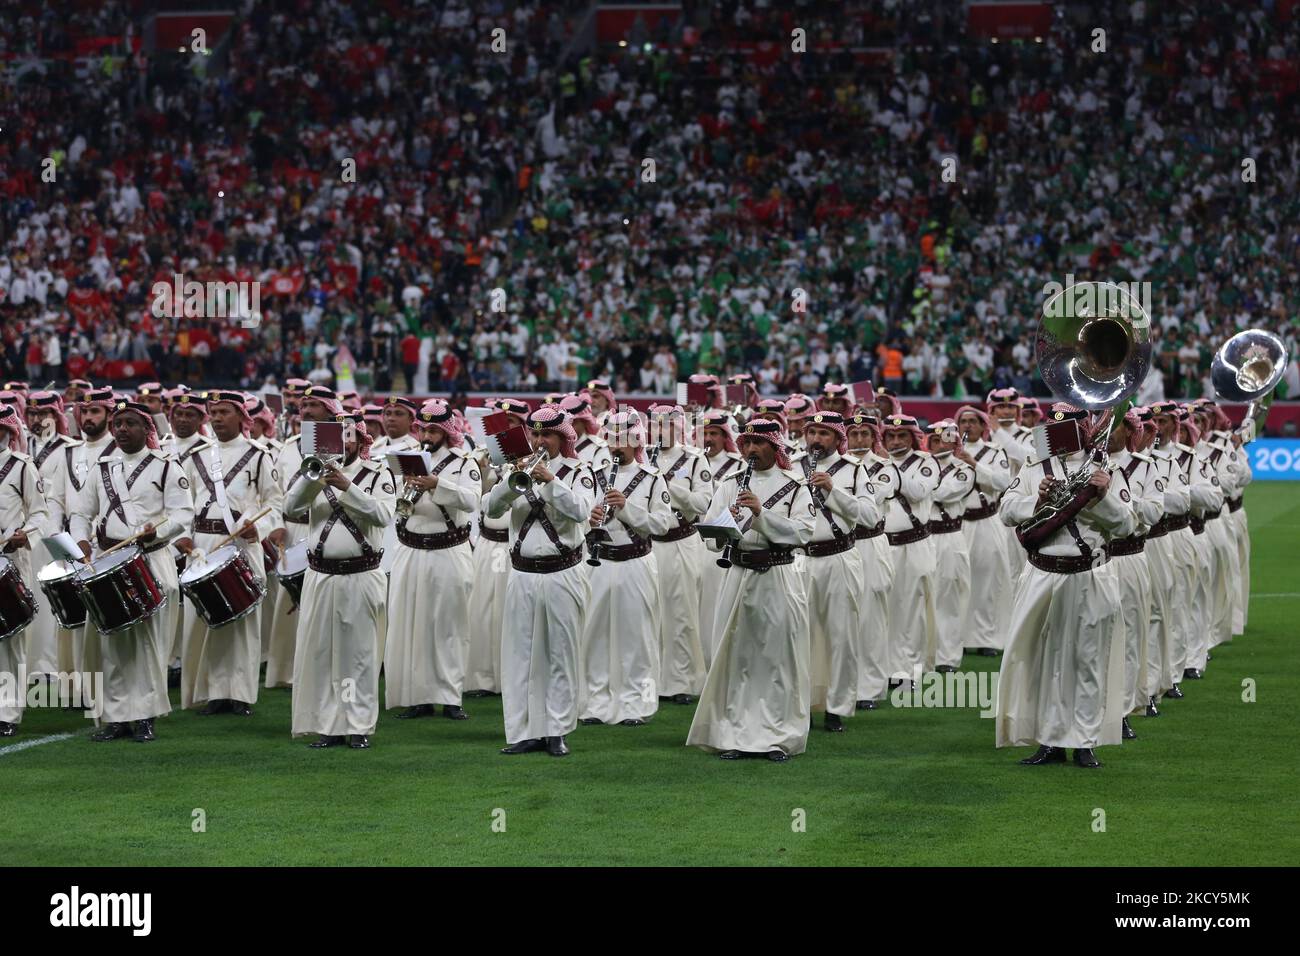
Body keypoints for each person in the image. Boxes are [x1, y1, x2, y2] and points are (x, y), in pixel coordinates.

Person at [995, 404, 1136, 769]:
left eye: (1068, 428)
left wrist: (1102, 498)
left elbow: (1126, 525)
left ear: (1084, 428)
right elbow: (1006, 509)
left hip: (1089, 574)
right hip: (1041, 573)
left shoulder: (1107, 469)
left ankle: (1084, 741)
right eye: (1052, 428)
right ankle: (1049, 740)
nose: (1057, 435)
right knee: (1040, 659)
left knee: (1086, 659)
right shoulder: (1033, 466)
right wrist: (1037, 500)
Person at [688, 418, 816, 762]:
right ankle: (735, 735)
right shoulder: (729, 484)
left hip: (778, 574)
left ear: (775, 447)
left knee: (777, 658)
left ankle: (778, 737)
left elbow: (803, 533)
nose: (751, 450)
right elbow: (712, 540)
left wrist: (760, 513)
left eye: (759, 443)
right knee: (737, 657)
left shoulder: (795, 486)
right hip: (738, 573)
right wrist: (725, 524)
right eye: (747, 443)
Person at [69, 401, 194, 742]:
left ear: (146, 429)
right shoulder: (102, 467)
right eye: (118, 423)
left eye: (129, 423)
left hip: (150, 559)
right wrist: (81, 541)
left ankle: (145, 716)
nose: (122, 429)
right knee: (113, 643)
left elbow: (184, 515)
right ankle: (116, 717)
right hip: (108, 561)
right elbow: (80, 512)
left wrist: (160, 532)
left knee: (147, 643)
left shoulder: (167, 466)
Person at [485, 405, 595, 757]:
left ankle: (556, 731)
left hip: (563, 572)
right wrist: (512, 481)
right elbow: (491, 509)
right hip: (522, 573)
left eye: (547, 435)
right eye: (535, 434)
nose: (539, 441)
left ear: (563, 438)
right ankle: (524, 730)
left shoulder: (580, 470)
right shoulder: (514, 468)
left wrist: (550, 480)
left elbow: (580, 511)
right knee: (520, 655)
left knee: (560, 653)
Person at [286, 411, 396, 749]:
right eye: (337, 435)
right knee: (321, 654)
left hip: (360, 575)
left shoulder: (377, 473)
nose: (342, 442)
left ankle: (358, 724)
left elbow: (384, 515)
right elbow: (290, 509)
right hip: (320, 576)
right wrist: (312, 477)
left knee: (358, 656)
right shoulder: (312, 472)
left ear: (360, 440)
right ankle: (328, 725)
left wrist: (348, 487)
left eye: (348, 435)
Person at [181, 390, 284, 716]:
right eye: (214, 412)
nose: (217, 417)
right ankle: (209, 692)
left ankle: (238, 694)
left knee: (242, 622)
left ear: (242, 417)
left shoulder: (258, 455)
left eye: (225, 412)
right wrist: (183, 538)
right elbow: (183, 505)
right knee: (202, 621)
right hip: (202, 545)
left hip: (241, 545)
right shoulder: (196, 457)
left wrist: (261, 528)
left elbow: (274, 502)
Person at [385, 400, 480, 722]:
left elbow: (472, 500)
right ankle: (418, 697)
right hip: (411, 550)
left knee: (449, 625)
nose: (427, 435)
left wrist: (438, 484)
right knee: (414, 623)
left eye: (434, 429)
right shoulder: (408, 459)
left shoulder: (461, 462)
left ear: (447, 431)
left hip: (448, 550)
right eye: (424, 429)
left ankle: (451, 697)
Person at [579, 410, 671, 726]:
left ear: (636, 441)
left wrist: (627, 509)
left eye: (623, 439)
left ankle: (637, 705)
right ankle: (596, 703)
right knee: (595, 634)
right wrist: (588, 520)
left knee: (638, 636)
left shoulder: (652, 477)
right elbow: (577, 515)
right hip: (599, 560)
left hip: (636, 563)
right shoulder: (594, 474)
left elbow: (662, 524)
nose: (617, 446)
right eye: (612, 439)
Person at [796, 411, 877, 732]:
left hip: (839, 557)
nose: (816, 439)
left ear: (837, 438)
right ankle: (799, 704)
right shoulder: (789, 466)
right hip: (798, 559)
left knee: (840, 635)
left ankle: (836, 707)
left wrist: (833, 490)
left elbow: (870, 516)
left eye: (824, 433)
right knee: (797, 635)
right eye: (812, 432)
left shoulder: (854, 470)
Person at [645, 403, 711, 705]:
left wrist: (667, 485)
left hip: (682, 541)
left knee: (682, 613)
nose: (662, 431)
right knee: (649, 614)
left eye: (668, 425)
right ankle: (650, 682)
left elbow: (702, 504)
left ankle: (683, 682)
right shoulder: (643, 458)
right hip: (647, 544)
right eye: (657, 425)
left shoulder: (695, 460)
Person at [465, 399, 531, 697]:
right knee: (482, 611)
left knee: (511, 614)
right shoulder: (481, 456)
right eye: (499, 423)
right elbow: (475, 500)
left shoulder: (533, 458)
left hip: (515, 544)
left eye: (511, 423)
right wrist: (483, 470)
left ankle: (512, 679)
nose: (505, 428)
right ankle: (482, 678)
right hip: (487, 542)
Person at [0, 406, 52, 738]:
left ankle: (6, 712)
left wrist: (26, 535)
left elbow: (41, 514)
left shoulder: (21, 468)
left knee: (9, 639)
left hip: (10, 560)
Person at [878, 414, 940, 684]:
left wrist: (891, 469)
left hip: (915, 544)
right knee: (886, 611)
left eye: (901, 436)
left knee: (912, 610)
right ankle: (885, 669)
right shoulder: (877, 464)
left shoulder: (927, 462)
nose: (895, 441)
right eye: (890, 436)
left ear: (913, 438)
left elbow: (916, 491)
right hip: (883, 545)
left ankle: (909, 672)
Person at [23, 391, 78, 679]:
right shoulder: (21, 446)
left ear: (55, 415)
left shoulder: (69, 449)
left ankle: (49, 665)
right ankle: (28, 664)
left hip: (56, 534)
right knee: (26, 597)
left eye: (42, 414)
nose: (36, 419)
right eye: (31, 414)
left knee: (52, 601)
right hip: (24, 534)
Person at [954, 405, 1013, 656]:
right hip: (956, 525)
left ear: (982, 425)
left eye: (972, 421)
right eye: (963, 421)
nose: (967, 425)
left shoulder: (994, 451)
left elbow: (1003, 482)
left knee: (988, 580)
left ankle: (987, 638)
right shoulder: (947, 453)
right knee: (958, 581)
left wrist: (973, 463)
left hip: (987, 521)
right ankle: (959, 638)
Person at [845, 411, 893, 710]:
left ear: (874, 438)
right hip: (844, 545)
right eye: (853, 435)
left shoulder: (885, 468)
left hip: (872, 543)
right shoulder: (841, 468)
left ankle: (870, 687)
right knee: (845, 617)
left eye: (865, 435)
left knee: (872, 615)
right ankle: (843, 685)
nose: (859, 440)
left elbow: (872, 504)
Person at [921, 420, 975, 673]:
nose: (939, 444)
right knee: (921, 599)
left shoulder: (964, 469)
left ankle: (948, 658)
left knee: (949, 600)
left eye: (945, 439)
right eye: (934, 440)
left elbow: (943, 493)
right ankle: (923, 657)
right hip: (922, 538)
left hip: (950, 537)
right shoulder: (919, 467)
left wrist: (916, 485)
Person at [695, 410, 744, 666]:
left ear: (726, 437)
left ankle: (718, 661)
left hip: (728, 539)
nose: (709, 438)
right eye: (705, 433)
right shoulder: (690, 461)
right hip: (703, 540)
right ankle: (703, 662)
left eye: (714, 433)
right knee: (701, 606)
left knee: (718, 602)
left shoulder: (738, 465)